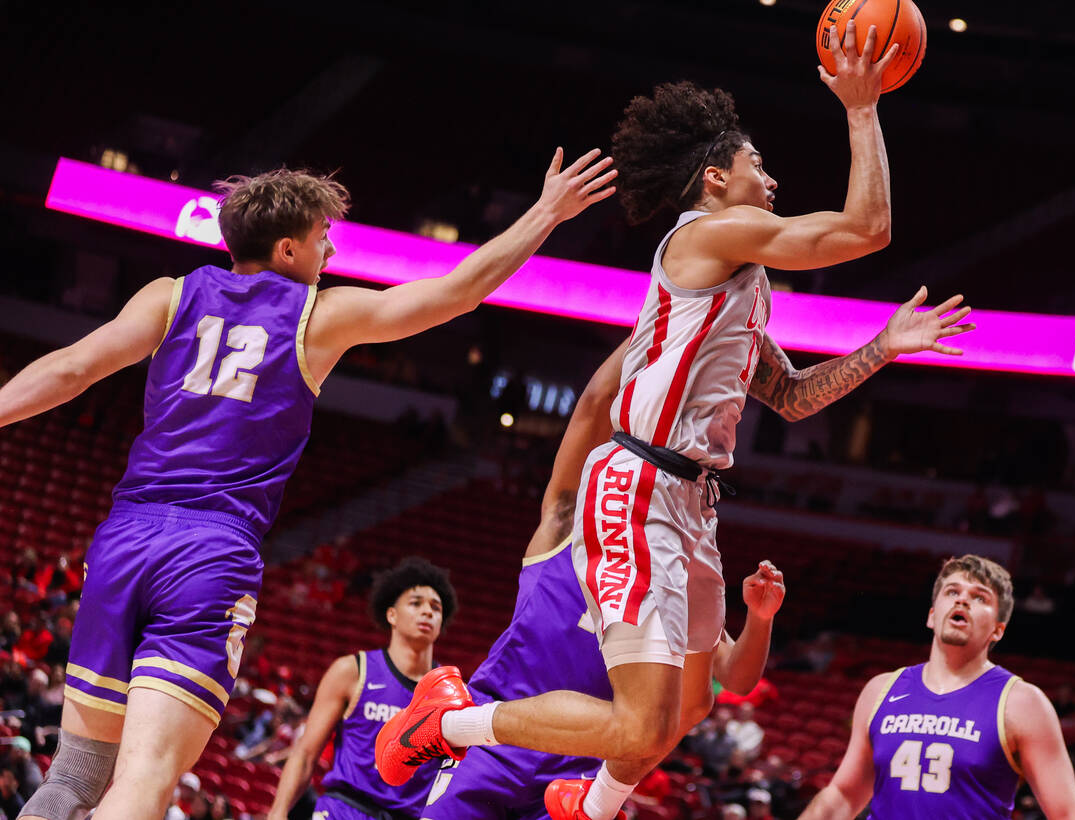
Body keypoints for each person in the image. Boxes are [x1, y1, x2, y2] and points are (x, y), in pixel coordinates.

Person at [377, 24, 977, 820]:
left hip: (692, 502)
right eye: (758, 164)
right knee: (638, 726)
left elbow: (793, 397)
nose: (772, 175)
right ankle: (448, 721)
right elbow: (867, 229)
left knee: (693, 707)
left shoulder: (745, 283)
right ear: (717, 177)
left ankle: (581, 804)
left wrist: (884, 348)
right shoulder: (709, 234)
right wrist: (863, 110)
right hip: (640, 485)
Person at [3, 147, 616, 820]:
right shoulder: (314, 315)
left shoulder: (169, 294)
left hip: (124, 538)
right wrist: (546, 212)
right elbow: (460, 291)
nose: (330, 252)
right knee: (145, 778)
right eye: (324, 239)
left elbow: (69, 369)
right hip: (209, 551)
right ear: (289, 248)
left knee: (72, 779)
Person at [417, 344, 786, 820]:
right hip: (497, 741)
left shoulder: (672, 581)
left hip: (581, 770)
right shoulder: (564, 525)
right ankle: (451, 725)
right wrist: (661, 330)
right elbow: (593, 404)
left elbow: (733, 677)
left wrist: (760, 619)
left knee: (682, 704)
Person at [797, 555, 1075, 819]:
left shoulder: (1022, 703)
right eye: (952, 592)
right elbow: (845, 794)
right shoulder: (881, 690)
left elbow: (1066, 813)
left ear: (998, 630)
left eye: (979, 598)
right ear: (932, 615)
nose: (962, 601)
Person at [267, 558, 458, 820]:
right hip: (344, 810)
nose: (427, 612)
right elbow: (305, 753)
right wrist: (277, 812)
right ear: (391, 614)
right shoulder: (353, 671)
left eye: (436, 608)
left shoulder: (449, 693)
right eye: (416, 603)